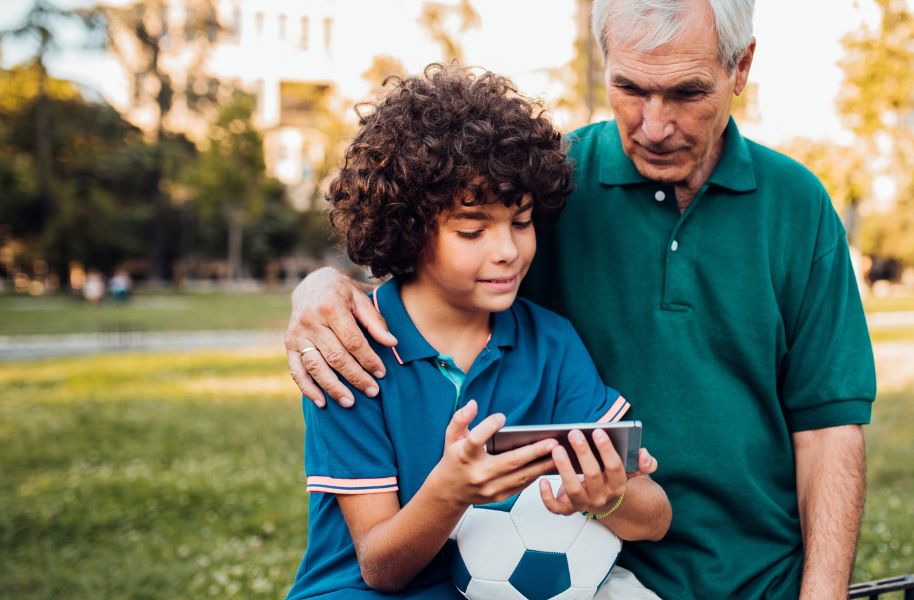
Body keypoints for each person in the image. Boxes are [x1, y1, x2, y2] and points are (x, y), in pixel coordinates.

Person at [286, 1, 876, 597]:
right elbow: (429, 262)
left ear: (741, 67)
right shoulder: (548, 182)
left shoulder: (798, 207)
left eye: (686, 93)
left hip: (754, 580)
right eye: (629, 88)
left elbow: (830, 432)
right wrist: (320, 287)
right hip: (593, 575)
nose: (653, 125)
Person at [286, 65, 671, 600]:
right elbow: (379, 566)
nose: (508, 251)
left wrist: (608, 496)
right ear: (409, 228)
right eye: (472, 229)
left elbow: (655, 516)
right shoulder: (349, 349)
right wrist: (450, 491)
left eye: (521, 221)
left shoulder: (550, 344)